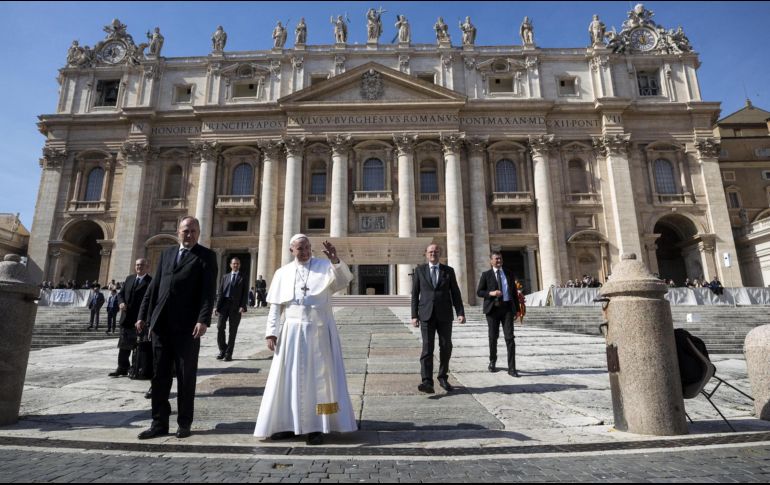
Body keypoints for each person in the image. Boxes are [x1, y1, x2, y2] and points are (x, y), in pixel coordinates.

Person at [254, 235, 355, 446]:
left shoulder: (325, 266)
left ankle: (317, 427)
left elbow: (343, 281)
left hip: (319, 331)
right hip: (291, 333)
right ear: (292, 250)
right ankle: (288, 424)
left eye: (308, 247)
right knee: (288, 380)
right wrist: (271, 332)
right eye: (301, 248)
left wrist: (336, 260)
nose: (305, 251)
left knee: (318, 381)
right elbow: (275, 307)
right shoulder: (283, 273)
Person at [136, 216, 217, 440]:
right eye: (184, 230)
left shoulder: (207, 256)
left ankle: (184, 422)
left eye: (192, 231)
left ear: (198, 233)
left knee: (185, 376)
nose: (188, 234)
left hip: (188, 327)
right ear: (178, 232)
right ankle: (159, 423)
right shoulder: (166, 254)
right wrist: (144, 315)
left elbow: (208, 293)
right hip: (161, 325)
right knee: (159, 377)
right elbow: (154, 287)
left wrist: (203, 320)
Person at [411, 244, 465, 393]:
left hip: (445, 314)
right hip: (426, 314)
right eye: (430, 251)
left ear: (439, 253)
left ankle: (442, 377)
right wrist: (414, 315)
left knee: (446, 346)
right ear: (426, 254)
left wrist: (460, 312)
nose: (433, 253)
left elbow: (455, 293)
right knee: (427, 348)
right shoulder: (419, 270)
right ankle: (427, 381)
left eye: (436, 251)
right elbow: (415, 295)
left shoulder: (448, 271)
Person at [476, 251, 521, 377]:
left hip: (507, 309)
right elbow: (479, 292)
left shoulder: (509, 273)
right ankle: (492, 361)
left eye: (500, 258)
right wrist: (491, 293)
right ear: (491, 261)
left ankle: (512, 368)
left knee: (510, 338)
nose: (499, 261)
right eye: (496, 259)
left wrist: (517, 310)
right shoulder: (486, 275)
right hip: (493, 309)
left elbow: (513, 293)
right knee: (493, 337)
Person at [109, 258, 152, 378]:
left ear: (147, 267)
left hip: (139, 320)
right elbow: (121, 294)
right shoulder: (129, 278)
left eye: (142, 265)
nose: (139, 267)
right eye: (137, 265)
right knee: (123, 345)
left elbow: (150, 301)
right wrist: (121, 303)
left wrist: (144, 318)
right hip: (126, 318)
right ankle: (122, 367)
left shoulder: (151, 282)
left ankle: (135, 368)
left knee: (137, 346)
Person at [215, 257, 249, 361]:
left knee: (232, 331)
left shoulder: (243, 277)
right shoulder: (225, 277)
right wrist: (216, 306)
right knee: (220, 327)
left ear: (239, 265)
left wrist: (243, 306)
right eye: (234, 264)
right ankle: (222, 350)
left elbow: (245, 293)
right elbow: (220, 292)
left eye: (238, 264)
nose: (236, 265)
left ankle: (228, 354)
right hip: (224, 305)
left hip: (236, 306)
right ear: (230, 265)